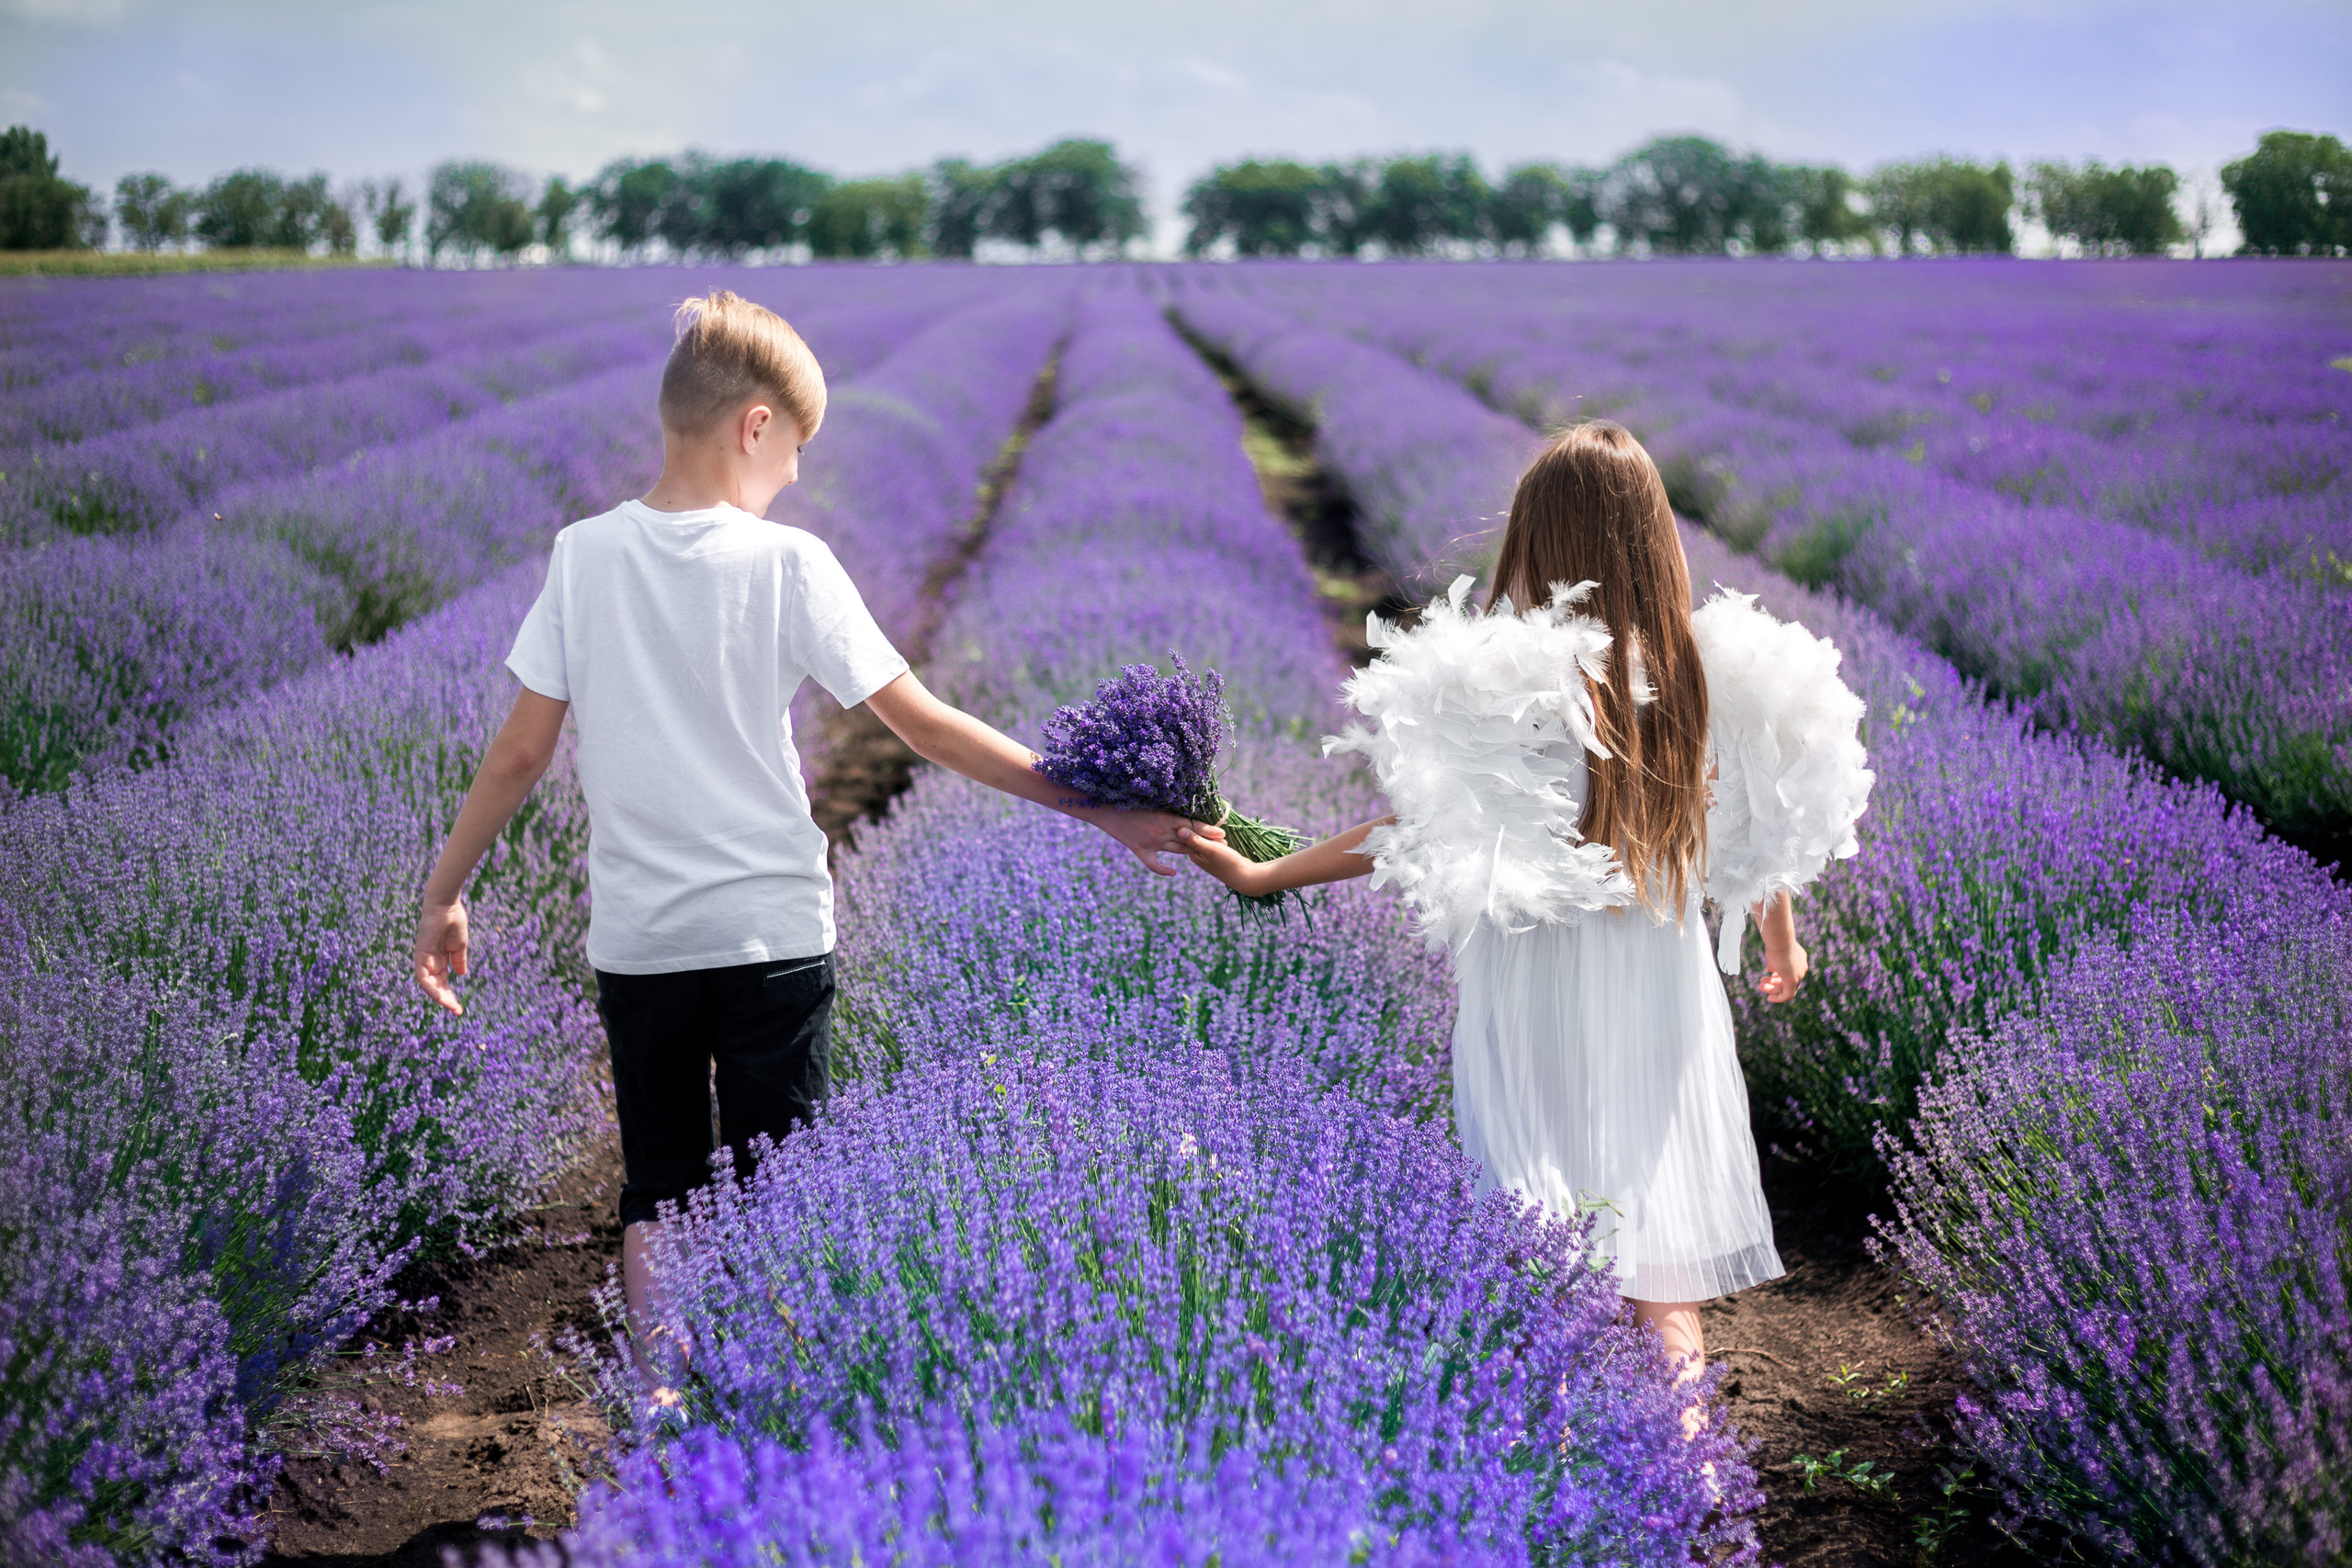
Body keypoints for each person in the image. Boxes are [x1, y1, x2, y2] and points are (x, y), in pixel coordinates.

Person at [411, 291, 1211, 1362]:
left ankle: (660, 1391)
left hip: (643, 939)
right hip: (772, 934)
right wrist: (1099, 807)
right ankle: (758, 1382)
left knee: (659, 1182)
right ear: (754, 426)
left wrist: (444, 891)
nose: (795, 473)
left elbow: (517, 754)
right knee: (780, 1177)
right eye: (795, 448)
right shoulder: (791, 565)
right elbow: (925, 728)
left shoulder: (584, 557)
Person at [1180, 421, 1872, 1411]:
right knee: (1659, 1279)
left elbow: (1416, 824)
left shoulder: (1504, 677)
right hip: (1658, 988)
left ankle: (1549, 1476)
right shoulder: (1701, 671)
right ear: (1655, 536)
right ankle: (1692, 1474)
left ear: (1534, 538)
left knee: (1535, 1243)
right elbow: (1764, 822)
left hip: (1532, 985)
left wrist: (1268, 873)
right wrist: (1781, 941)